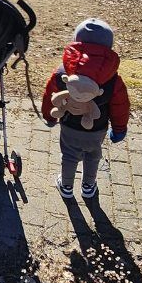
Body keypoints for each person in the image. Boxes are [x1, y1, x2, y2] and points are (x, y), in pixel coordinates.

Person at [41, 17, 130, 200]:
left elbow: (50, 94)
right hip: (96, 128)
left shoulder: (62, 72)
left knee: (69, 155)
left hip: (69, 125)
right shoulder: (113, 78)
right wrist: (119, 129)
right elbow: (120, 105)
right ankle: (88, 186)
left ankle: (66, 186)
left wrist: (49, 117)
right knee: (93, 155)